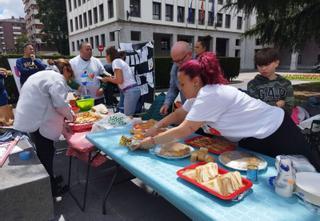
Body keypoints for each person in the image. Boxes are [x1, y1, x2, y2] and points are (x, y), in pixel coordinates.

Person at [136, 52, 320, 171]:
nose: (181, 89)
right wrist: (157, 126)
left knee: (305, 172)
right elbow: (178, 114)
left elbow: (185, 128)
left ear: (196, 81)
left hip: (278, 132)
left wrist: (152, 140)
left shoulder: (210, 93)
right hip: (255, 137)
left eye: (182, 84)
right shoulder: (201, 96)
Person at [13, 59, 75, 196]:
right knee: (46, 154)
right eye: (69, 76)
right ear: (65, 70)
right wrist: (71, 117)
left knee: (45, 152)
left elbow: (56, 101)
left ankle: (50, 180)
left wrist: (68, 111)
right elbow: (59, 104)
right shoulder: (57, 78)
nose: (68, 79)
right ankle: (52, 190)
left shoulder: (42, 75)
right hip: (37, 121)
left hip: (30, 118)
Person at [247, 48, 294, 114]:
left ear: (276, 63)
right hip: (261, 122)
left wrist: (267, 106)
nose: (263, 68)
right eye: (260, 65)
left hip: (281, 120)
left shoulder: (286, 83)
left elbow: (289, 107)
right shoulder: (253, 84)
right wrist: (276, 105)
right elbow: (255, 108)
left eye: (267, 64)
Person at [102, 46, 140, 116]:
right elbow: (122, 78)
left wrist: (107, 79)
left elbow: (119, 80)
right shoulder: (119, 61)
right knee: (127, 115)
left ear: (109, 55)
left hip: (130, 91)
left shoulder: (115, 62)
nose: (106, 57)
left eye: (106, 55)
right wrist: (111, 77)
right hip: (131, 90)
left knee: (127, 117)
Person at [159, 41, 193, 115]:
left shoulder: (201, 67)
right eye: (175, 61)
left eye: (180, 61)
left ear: (189, 55)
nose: (178, 65)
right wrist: (167, 104)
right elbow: (173, 88)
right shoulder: (175, 68)